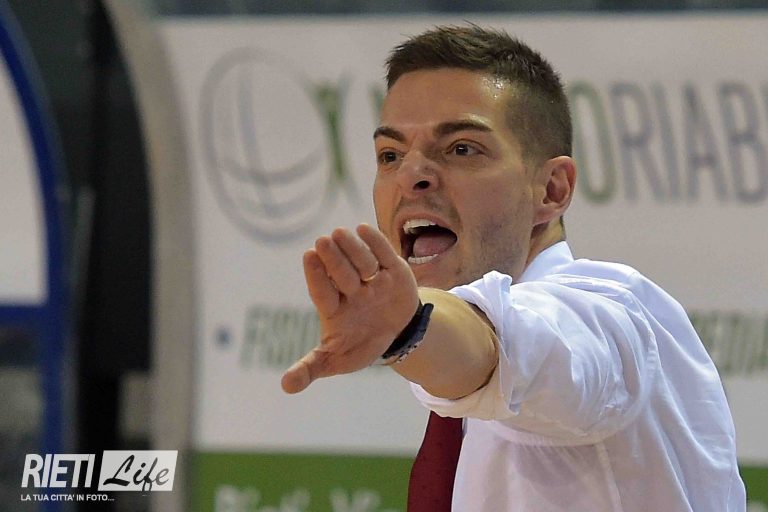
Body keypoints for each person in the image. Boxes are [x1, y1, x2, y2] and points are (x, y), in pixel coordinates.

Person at [281, 25, 746, 511]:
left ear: (552, 190)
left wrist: (411, 327)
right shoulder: (453, 373)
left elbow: (510, 345)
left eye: (462, 148)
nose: (411, 175)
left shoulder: (610, 319)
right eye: (390, 155)